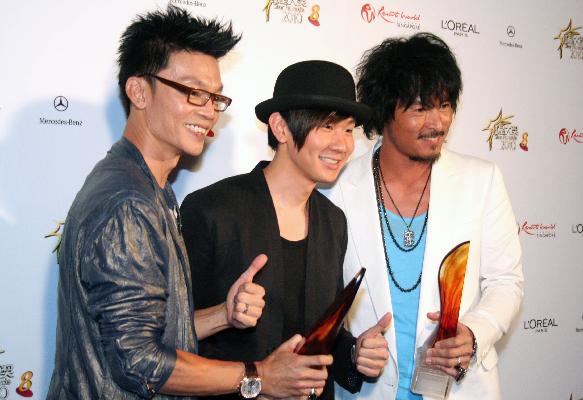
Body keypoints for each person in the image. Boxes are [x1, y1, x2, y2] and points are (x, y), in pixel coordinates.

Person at [47, 7, 334, 399]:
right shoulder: (127, 203)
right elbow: (139, 363)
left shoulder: (149, 188)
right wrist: (259, 375)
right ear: (139, 91)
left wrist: (222, 315)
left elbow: (145, 333)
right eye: (193, 92)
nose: (209, 109)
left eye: (215, 96)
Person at [180, 60, 391, 400]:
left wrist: (354, 353)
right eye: (327, 126)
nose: (342, 144)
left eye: (349, 130)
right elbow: (167, 336)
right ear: (280, 127)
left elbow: (320, 336)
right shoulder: (212, 210)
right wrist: (224, 315)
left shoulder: (333, 221)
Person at [329, 33, 524, 399]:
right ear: (384, 112)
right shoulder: (337, 189)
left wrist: (473, 333)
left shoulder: (481, 181)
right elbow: (322, 302)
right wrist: (351, 350)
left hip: (461, 389)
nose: (438, 122)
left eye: (445, 105)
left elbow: (505, 282)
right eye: (420, 109)